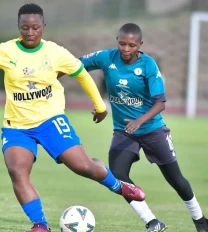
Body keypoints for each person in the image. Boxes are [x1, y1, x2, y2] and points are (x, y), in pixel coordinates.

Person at [0, 5, 145, 232]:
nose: (30, 32)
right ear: (18, 27)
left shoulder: (55, 53)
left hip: (50, 121)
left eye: (35, 28)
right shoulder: (6, 51)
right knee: (17, 171)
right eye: (25, 28)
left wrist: (100, 107)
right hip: (16, 126)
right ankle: (40, 224)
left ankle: (119, 186)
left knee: (83, 166)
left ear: (43, 28)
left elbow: (81, 74)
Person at [76, 23, 208, 232]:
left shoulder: (148, 65)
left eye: (132, 45)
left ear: (140, 45)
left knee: (175, 179)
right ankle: (152, 222)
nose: (126, 49)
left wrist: (139, 121)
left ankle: (200, 220)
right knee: (119, 175)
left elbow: (160, 103)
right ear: (117, 41)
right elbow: (74, 65)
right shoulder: (106, 57)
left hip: (153, 130)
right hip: (123, 131)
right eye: (122, 44)